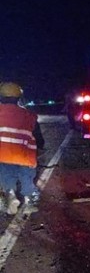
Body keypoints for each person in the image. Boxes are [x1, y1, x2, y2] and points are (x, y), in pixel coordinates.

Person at [0, 82, 44, 215]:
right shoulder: (29, 115)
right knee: (27, 178)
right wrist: (40, 146)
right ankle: (29, 200)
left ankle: (10, 194)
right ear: (19, 98)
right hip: (25, 155)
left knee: (7, 175)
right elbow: (39, 137)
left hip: (3, 155)